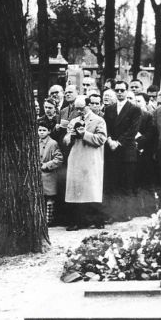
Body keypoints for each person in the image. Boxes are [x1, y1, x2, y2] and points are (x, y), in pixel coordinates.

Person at [64, 96, 108, 231]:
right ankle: (77, 222)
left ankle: (97, 221)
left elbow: (101, 139)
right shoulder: (74, 121)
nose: (79, 111)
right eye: (77, 109)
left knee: (92, 190)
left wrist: (85, 134)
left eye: (81, 108)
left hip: (91, 159)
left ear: (88, 106)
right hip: (76, 159)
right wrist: (70, 136)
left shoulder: (99, 120)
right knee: (76, 191)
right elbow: (65, 141)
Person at [104, 82, 142, 193]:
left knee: (127, 186)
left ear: (127, 91)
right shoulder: (109, 108)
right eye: (117, 90)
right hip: (111, 149)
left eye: (122, 90)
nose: (119, 93)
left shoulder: (135, 109)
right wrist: (109, 140)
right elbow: (106, 127)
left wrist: (118, 142)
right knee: (113, 186)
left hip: (127, 150)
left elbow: (133, 129)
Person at [38, 120, 63, 225]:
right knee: (40, 197)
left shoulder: (53, 143)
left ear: (49, 131)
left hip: (49, 175)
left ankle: (49, 220)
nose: (41, 132)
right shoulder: (36, 142)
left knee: (50, 198)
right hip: (39, 175)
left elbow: (59, 158)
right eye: (39, 130)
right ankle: (41, 220)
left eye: (44, 130)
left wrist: (47, 165)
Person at [133, 92, 157, 186]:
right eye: (135, 101)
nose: (136, 103)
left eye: (139, 101)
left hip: (144, 149)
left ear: (146, 103)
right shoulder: (129, 115)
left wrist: (139, 140)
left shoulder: (149, 116)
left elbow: (150, 133)